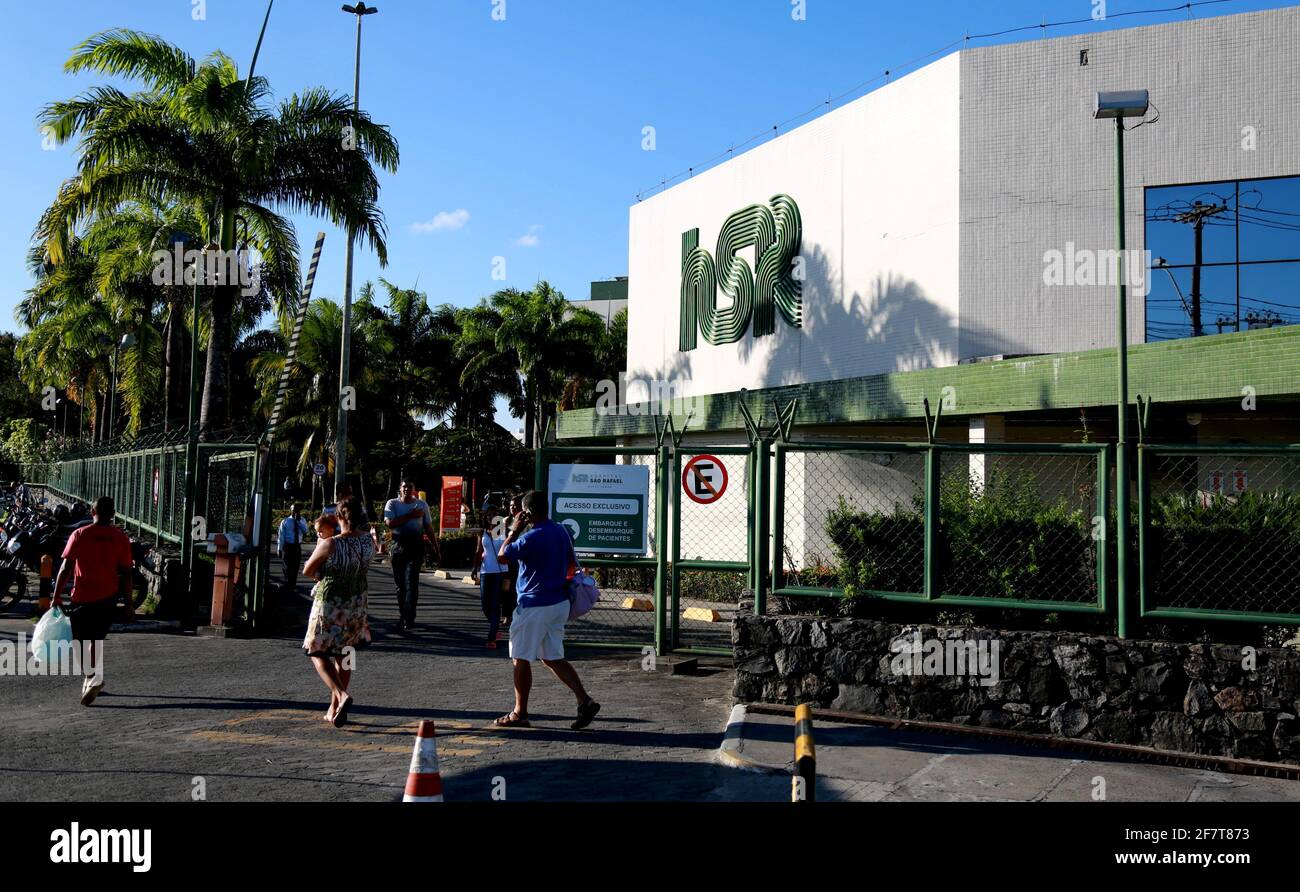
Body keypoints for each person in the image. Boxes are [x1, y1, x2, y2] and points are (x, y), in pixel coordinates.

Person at [494, 490, 599, 730]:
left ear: (527, 513)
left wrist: (514, 530)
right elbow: (571, 562)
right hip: (559, 602)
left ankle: (520, 713)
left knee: (520, 657)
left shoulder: (530, 538)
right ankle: (585, 700)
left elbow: (502, 556)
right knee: (552, 657)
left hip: (534, 605)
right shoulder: (561, 530)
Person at [51, 496, 134, 707]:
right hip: (108, 597)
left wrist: (56, 596)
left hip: (82, 597)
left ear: (92, 512)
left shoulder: (80, 534)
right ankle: (91, 679)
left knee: (79, 641)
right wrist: (129, 603)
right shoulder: (121, 537)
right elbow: (126, 573)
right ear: (113, 514)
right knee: (96, 640)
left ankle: (91, 676)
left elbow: (65, 568)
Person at [302, 497, 374, 727]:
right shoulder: (368, 542)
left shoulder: (331, 543)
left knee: (317, 651)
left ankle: (340, 695)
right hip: (357, 602)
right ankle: (334, 707)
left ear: (340, 517)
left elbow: (308, 570)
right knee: (346, 653)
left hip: (331, 601)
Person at [383, 480, 436, 630]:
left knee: (412, 582)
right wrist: (411, 515)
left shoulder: (422, 505)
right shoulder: (392, 504)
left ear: (414, 489)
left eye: (410, 487)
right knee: (400, 585)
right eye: (404, 486)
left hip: (416, 546)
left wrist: (436, 548)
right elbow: (390, 523)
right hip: (398, 545)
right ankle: (403, 614)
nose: (406, 489)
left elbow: (429, 527)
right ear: (400, 489)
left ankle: (409, 617)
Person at [472, 519, 507, 648]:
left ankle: (492, 637)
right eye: (488, 516)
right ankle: (494, 625)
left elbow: (507, 550)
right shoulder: (483, 533)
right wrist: (474, 568)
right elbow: (478, 550)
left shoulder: (503, 533)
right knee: (484, 604)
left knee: (495, 604)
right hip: (485, 572)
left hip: (500, 572)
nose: (491, 519)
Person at [277, 504, 309, 595]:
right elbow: (281, 536)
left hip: (297, 546)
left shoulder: (302, 520)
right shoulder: (285, 521)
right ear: (291, 511)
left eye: (297, 510)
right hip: (287, 546)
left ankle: (292, 584)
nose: (295, 512)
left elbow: (305, 531)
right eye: (293, 510)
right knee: (287, 566)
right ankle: (288, 583)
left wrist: (298, 521)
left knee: (295, 566)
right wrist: (279, 548)